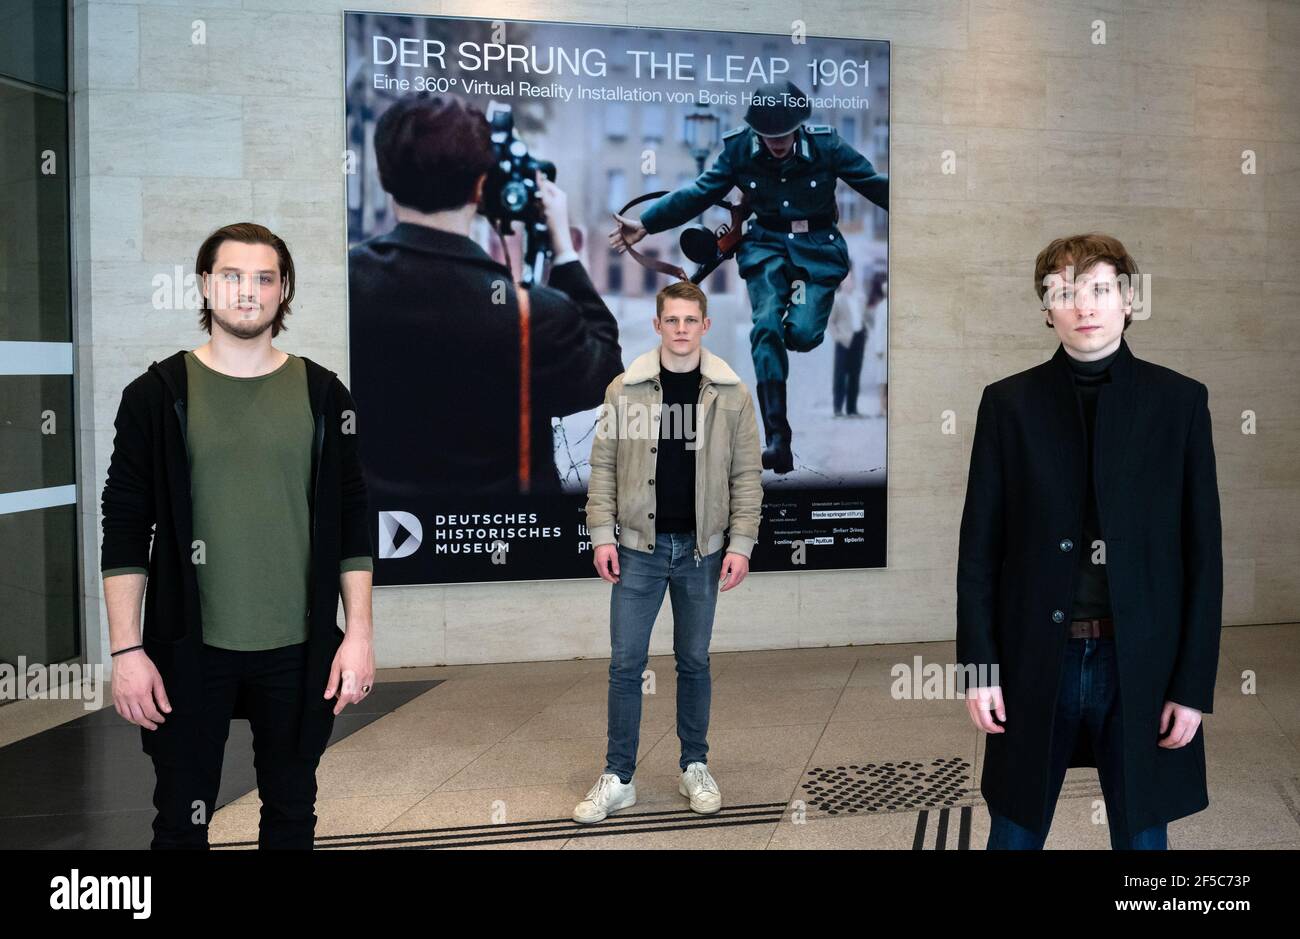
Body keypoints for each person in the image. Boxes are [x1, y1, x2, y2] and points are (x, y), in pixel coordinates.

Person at [102, 222, 376, 849]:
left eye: (264, 278)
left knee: (290, 815)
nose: (247, 291)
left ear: (284, 292)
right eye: (232, 276)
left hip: (298, 646)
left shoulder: (324, 394)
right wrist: (126, 653)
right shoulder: (156, 395)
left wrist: (358, 634)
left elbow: (352, 521)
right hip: (187, 648)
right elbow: (124, 528)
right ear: (205, 285)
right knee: (179, 820)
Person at [956, 232, 1222, 850]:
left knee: (1142, 841)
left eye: (1101, 289)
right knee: (1014, 833)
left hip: (1141, 662)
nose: (1085, 305)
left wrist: (1192, 685)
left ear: (1129, 301)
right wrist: (979, 668)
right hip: (1032, 658)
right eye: (1066, 292)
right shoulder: (1008, 405)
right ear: (1047, 309)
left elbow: (1204, 556)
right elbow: (978, 552)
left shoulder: (1179, 402)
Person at [349, 92, 623, 497]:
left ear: (385, 176)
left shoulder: (346, 285)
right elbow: (606, 373)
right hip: (496, 545)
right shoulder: (534, 315)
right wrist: (563, 250)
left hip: (381, 543)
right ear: (481, 186)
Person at [610, 80, 888, 475]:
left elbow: (873, 184)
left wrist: (915, 208)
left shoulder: (828, 147)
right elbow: (701, 191)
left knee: (805, 334)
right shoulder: (739, 149)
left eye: (784, 134)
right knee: (766, 327)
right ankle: (778, 439)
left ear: (800, 127)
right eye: (768, 135)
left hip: (817, 248)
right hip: (766, 245)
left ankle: (791, 330)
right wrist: (648, 224)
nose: (776, 143)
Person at [575, 281, 764, 823]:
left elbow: (746, 476)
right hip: (637, 549)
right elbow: (604, 466)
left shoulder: (731, 394)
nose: (681, 329)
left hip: (703, 551)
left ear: (705, 326)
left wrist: (742, 544)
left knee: (695, 662)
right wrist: (602, 535)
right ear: (657, 326)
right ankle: (619, 777)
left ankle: (694, 766)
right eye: (672, 320)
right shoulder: (625, 390)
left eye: (691, 320)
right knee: (625, 665)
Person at [828, 258, 868, 418]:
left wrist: (865, 332)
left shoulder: (860, 297)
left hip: (858, 338)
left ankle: (852, 408)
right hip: (844, 339)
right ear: (842, 282)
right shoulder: (837, 299)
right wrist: (837, 337)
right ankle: (838, 408)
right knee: (840, 375)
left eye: (851, 279)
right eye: (846, 280)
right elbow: (831, 322)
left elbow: (864, 317)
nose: (849, 282)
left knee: (855, 374)